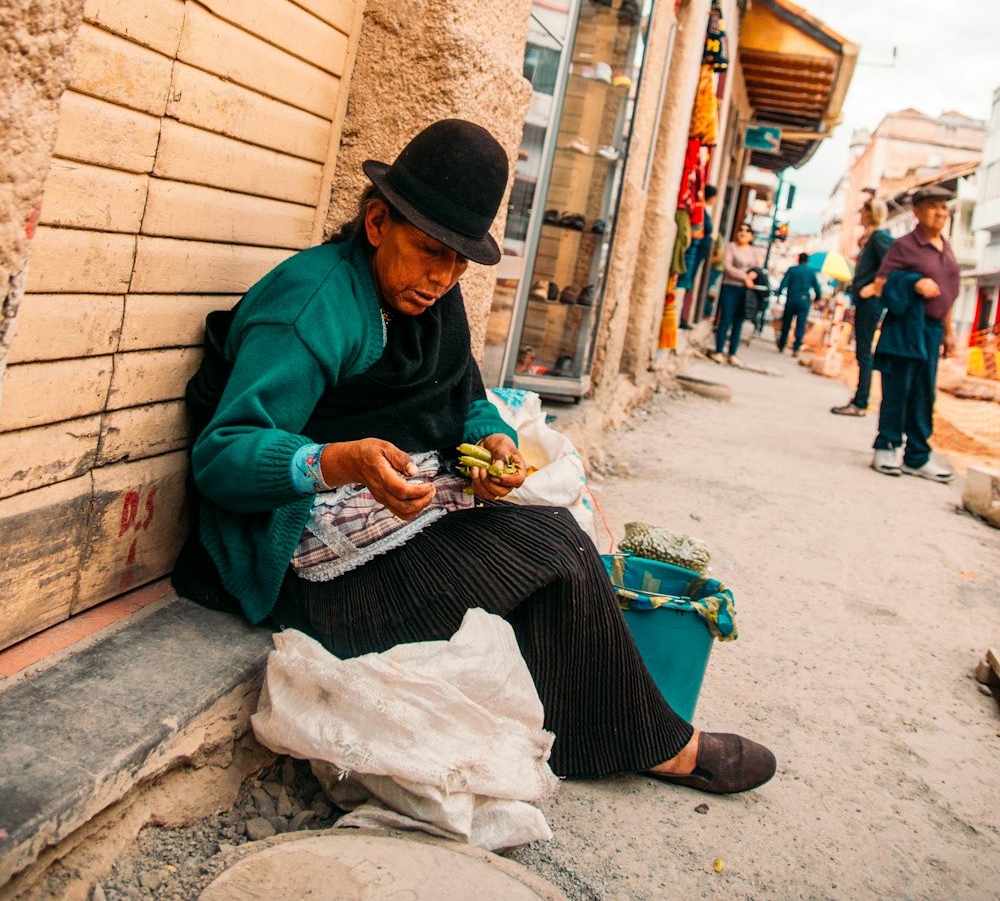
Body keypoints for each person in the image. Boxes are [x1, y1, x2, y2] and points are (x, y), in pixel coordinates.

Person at [174, 119, 775, 795]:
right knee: (549, 555)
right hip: (304, 571)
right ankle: (662, 746)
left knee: (555, 538)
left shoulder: (433, 297)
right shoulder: (313, 304)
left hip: (385, 521)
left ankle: (612, 733)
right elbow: (222, 456)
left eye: (458, 260)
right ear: (377, 224)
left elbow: (467, 399)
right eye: (429, 251)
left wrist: (496, 443)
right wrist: (341, 461)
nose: (442, 275)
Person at [868, 185, 960, 482]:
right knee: (898, 387)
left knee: (924, 393)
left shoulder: (947, 248)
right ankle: (886, 445)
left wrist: (948, 333)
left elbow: (947, 295)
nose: (940, 212)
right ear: (916, 212)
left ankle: (917, 456)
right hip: (906, 327)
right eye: (933, 206)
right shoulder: (905, 246)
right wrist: (914, 283)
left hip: (932, 330)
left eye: (944, 207)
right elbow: (881, 284)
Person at [831, 199, 892, 417]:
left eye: (863, 211)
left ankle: (860, 401)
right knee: (862, 351)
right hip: (863, 300)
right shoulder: (870, 239)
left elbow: (890, 264)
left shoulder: (879, 238)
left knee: (864, 352)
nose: (860, 215)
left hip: (870, 301)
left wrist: (873, 288)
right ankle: (860, 399)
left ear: (870, 213)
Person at [710, 224, 758, 365]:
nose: (743, 232)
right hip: (730, 286)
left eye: (747, 231)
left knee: (738, 321)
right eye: (740, 229)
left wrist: (751, 277)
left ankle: (732, 353)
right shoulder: (731, 247)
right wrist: (745, 277)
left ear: (751, 236)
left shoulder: (754, 251)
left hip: (746, 290)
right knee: (726, 318)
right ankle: (719, 350)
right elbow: (728, 266)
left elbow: (757, 268)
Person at [679, 184, 717, 329]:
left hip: (697, 253)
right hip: (692, 254)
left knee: (689, 282)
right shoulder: (700, 210)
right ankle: (682, 317)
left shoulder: (703, 211)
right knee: (686, 280)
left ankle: (683, 317)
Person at [776, 254, 822, 355]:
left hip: (791, 299)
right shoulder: (811, 272)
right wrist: (817, 298)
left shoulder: (792, 270)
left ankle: (782, 344)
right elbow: (817, 287)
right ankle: (796, 348)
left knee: (786, 323)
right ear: (807, 261)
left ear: (798, 259)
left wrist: (778, 295)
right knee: (800, 325)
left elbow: (784, 283)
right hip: (804, 300)